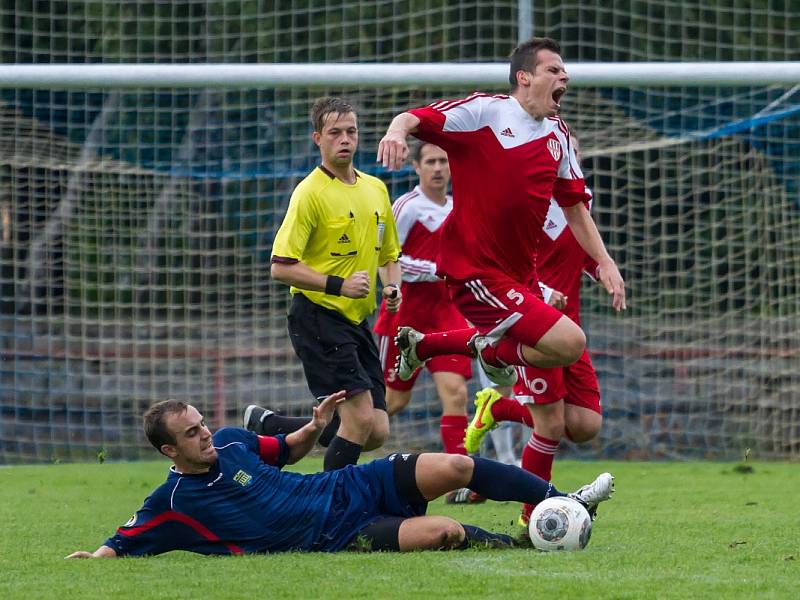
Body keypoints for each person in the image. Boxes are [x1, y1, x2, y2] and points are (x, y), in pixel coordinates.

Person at [66, 394, 614, 558]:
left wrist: (312, 427)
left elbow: (284, 449)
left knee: (457, 466)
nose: (205, 434)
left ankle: (565, 502)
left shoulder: (232, 441)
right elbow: (123, 540)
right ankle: (526, 545)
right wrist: (95, 558)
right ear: (170, 449)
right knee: (444, 531)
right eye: (191, 434)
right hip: (337, 536)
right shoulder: (174, 499)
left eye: (202, 424)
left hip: (350, 486)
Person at [376, 37, 626, 389]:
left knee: (563, 374)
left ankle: (438, 347)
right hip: (475, 270)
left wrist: (604, 261)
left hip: (521, 277)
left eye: (565, 72)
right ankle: (486, 353)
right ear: (524, 77)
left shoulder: (559, 135)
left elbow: (575, 207)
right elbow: (412, 117)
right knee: (570, 342)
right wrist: (395, 133)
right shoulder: (485, 112)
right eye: (553, 70)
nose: (564, 78)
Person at [465, 147, 608, 525]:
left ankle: (497, 409)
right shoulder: (523, 205)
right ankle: (533, 520)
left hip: (570, 328)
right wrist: (543, 293)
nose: (568, 160)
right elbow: (502, 267)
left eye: (574, 152)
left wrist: (604, 269)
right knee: (550, 426)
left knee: (585, 425)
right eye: (564, 153)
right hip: (535, 327)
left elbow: (582, 253)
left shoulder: (579, 204)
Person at [268, 96, 403, 471]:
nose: (345, 139)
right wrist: (339, 285)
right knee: (359, 421)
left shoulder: (375, 188)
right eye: (335, 133)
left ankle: (275, 427)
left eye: (351, 131)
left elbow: (389, 256)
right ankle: (332, 513)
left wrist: (393, 288)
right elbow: (281, 267)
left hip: (356, 320)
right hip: (318, 316)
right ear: (318, 138)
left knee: (376, 430)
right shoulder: (310, 193)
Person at [372, 141, 479, 504]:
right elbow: (388, 258)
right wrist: (437, 271)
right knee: (392, 402)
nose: (438, 168)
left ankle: (459, 478)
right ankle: (335, 440)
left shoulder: (459, 206)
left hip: (447, 316)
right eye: (430, 161)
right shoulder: (406, 206)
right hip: (406, 317)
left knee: (457, 393)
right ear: (416, 167)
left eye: (444, 161)